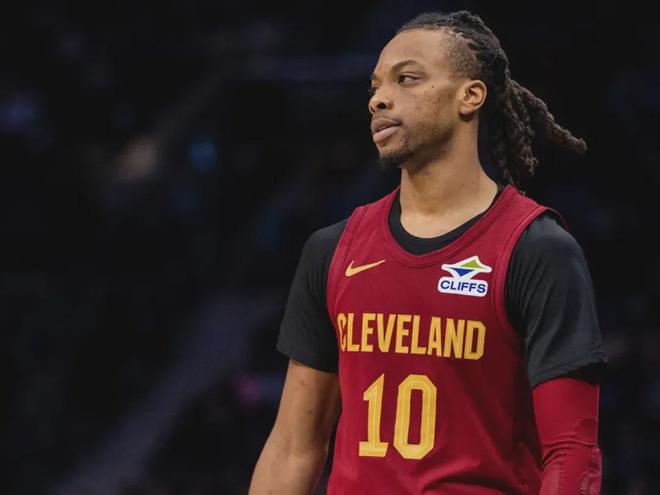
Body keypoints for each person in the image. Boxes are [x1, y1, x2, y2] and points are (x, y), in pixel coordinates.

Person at [249, 10, 607, 495]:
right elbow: (294, 447)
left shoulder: (537, 250)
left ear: (470, 96)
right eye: (375, 86)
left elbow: (571, 453)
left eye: (407, 79)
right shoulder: (332, 250)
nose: (378, 98)